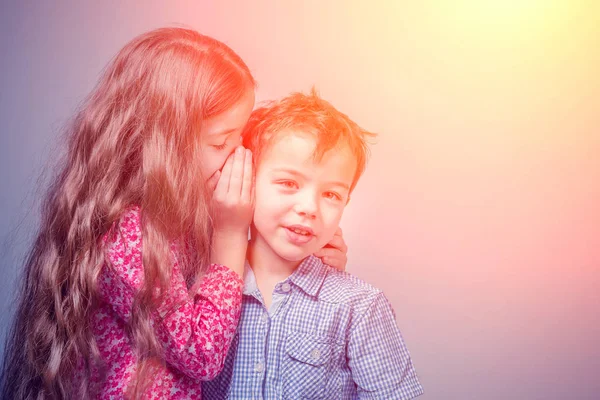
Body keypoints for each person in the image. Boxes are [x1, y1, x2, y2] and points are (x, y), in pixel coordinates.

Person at [0, 28, 347, 399]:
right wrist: (230, 235)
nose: (236, 158)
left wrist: (304, 261)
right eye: (220, 143)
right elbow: (201, 353)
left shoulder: (184, 213)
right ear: (164, 143)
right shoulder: (125, 234)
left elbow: (228, 295)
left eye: (239, 140)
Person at [203, 90, 424, 399]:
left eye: (331, 194)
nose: (309, 207)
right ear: (246, 178)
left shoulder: (359, 307)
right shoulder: (199, 289)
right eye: (288, 183)